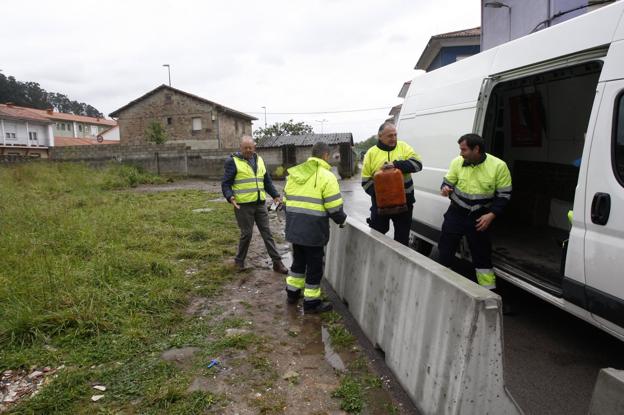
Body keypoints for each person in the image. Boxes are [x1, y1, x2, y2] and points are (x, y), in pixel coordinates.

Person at [438, 133, 512, 290]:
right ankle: (441, 286)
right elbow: (447, 181)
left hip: (480, 217)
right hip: (456, 213)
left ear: (476, 149)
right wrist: (444, 188)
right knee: (445, 250)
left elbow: (504, 195)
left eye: (463, 150)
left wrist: (491, 215)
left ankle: (489, 294)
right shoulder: (457, 162)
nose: (460, 153)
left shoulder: (498, 166)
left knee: (482, 256)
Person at [283, 141, 347, 314]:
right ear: (325, 155)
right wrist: (342, 220)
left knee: (298, 263)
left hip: (295, 229)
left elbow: (286, 202)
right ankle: (311, 303)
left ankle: (292, 294)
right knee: (314, 267)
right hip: (314, 231)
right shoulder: (327, 177)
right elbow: (334, 208)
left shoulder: (295, 174)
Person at [221, 135, 288, 274]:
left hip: (260, 203)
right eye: (245, 148)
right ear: (240, 148)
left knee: (267, 233)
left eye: (250, 147)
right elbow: (226, 183)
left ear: (254, 147)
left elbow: (266, 181)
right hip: (243, 205)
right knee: (247, 234)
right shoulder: (232, 162)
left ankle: (277, 262)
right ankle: (239, 262)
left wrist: (275, 195)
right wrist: (230, 197)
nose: (248, 150)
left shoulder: (260, 160)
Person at [361, 122, 422, 246]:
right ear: (380, 136)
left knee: (402, 241)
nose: (394, 138)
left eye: (395, 135)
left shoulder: (404, 147)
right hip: (380, 206)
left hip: (405, 205)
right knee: (377, 238)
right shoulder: (371, 153)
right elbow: (365, 181)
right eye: (390, 136)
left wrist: (396, 165)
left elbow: (418, 165)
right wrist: (382, 195)